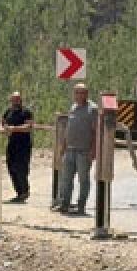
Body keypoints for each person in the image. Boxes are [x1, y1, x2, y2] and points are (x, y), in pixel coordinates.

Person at [54, 83, 97, 214]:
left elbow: (96, 131)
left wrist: (93, 150)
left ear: (86, 94)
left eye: (81, 92)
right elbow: (69, 128)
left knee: (83, 180)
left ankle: (81, 206)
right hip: (70, 150)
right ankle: (64, 204)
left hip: (84, 151)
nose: (78, 95)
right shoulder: (73, 107)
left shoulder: (92, 109)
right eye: (76, 92)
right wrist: (63, 146)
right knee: (66, 179)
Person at [0, 91, 35, 203]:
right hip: (12, 143)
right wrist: (1, 128)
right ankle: (19, 192)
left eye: (17, 99)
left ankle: (24, 191)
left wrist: (14, 128)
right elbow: (1, 121)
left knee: (21, 168)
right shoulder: (8, 111)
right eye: (13, 99)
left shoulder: (26, 112)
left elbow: (28, 127)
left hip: (23, 144)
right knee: (11, 167)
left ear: (21, 100)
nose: (15, 102)